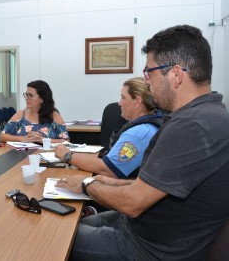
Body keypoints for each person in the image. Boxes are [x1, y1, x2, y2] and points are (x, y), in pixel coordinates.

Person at [56, 25, 229, 260]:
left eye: (149, 72)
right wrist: (106, 183)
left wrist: (86, 186)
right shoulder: (204, 115)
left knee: (53, 234)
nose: (147, 81)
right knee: (68, 220)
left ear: (175, 75)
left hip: (146, 249)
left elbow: (133, 202)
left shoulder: (193, 125)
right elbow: (147, 187)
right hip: (141, 228)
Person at [55, 77, 162, 179]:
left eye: (123, 97)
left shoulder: (139, 133)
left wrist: (68, 156)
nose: (119, 103)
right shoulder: (147, 125)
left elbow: (108, 170)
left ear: (137, 101)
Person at [0, 80, 69, 143]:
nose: (27, 99)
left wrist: (43, 140)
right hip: (22, 155)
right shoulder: (21, 114)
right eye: (26, 95)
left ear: (42, 99)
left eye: (31, 95)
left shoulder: (54, 116)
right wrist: (21, 138)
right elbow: (2, 137)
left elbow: (66, 141)